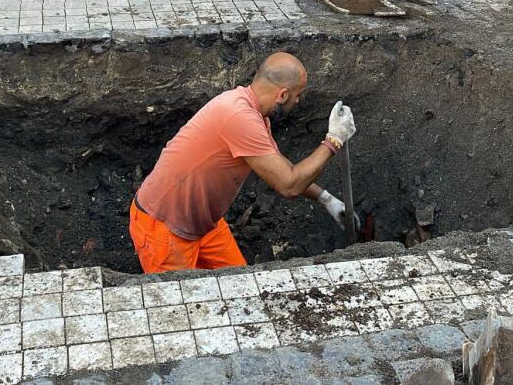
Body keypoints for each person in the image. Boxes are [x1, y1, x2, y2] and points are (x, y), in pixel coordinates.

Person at [129, 52, 357, 273]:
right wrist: (333, 141)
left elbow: (283, 168)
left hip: (203, 223)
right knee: (186, 297)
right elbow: (288, 185)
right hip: (165, 227)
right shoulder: (239, 117)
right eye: (298, 95)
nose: (298, 101)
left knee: (241, 284)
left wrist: (326, 199)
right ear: (283, 95)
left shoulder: (253, 114)